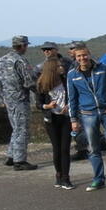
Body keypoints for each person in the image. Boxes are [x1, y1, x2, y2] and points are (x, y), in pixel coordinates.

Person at [67, 45, 106, 190]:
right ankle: (98, 179)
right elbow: (72, 99)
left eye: (84, 55)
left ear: (89, 54)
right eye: (79, 56)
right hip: (87, 114)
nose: (82, 58)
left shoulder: (102, 68)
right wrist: (73, 120)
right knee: (93, 148)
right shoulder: (72, 74)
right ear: (75, 58)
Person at [0, 35, 38, 170]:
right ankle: (19, 161)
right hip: (20, 99)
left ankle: (11, 156)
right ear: (23, 46)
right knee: (22, 129)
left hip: (8, 100)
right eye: (26, 45)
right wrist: (41, 92)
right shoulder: (20, 61)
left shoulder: (1, 60)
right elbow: (29, 81)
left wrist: (2, 98)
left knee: (16, 128)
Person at [36, 57, 73, 189]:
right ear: (52, 69)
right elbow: (38, 104)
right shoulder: (42, 84)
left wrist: (68, 106)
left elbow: (73, 96)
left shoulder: (65, 80)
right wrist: (48, 106)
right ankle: (58, 175)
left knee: (65, 149)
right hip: (51, 120)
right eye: (58, 66)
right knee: (57, 149)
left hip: (65, 118)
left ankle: (66, 178)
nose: (61, 68)